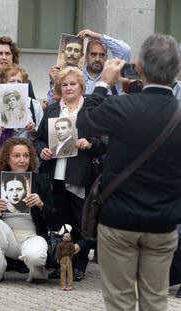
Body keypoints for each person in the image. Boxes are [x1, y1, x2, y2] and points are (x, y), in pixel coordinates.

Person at [76, 33, 181, 311]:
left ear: (140, 68)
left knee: (120, 301)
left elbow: (85, 120)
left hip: (119, 220)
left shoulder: (122, 106)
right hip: (163, 222)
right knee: (155, 300)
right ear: (176, 71)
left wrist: (103, 84)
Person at [34, 66, 104, 281]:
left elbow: (104, 141)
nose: (68, 88)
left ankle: (79, 264)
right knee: (62, 221)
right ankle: (63, 263)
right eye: (64, 84)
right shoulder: (53, 110)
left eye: (73, 84)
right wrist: (41, 149)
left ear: (81, 86)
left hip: (80, 173)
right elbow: (38, 138)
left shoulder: (90, 109)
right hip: (55, 173)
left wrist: (89, 142)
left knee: (80, 219)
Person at [0, 137, 51, 284]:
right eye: (16, 156)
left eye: (26, 155)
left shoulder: (41, 180)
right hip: (7, 238)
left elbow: (56, 219)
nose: (22, 160)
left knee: (35, 256)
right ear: (7, 159)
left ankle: (37, 272)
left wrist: (42, 205)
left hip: (32, 236)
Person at [47, 29, 131, 103]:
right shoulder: (74, 78)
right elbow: (52, 104)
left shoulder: (114, 77)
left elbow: (125, 51)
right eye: (93, 54)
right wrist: (54, 83)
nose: (97, 59)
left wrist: (98, 37)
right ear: (86, 56)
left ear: (106, 57)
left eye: (101, 55)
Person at [0, 64, 43, 168]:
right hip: (2, 161)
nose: (15, 84)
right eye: (12, 81)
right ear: (3, 84)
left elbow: (43, 136)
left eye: (19, 82)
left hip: (27, 162)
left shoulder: (35, 106)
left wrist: (34, 130)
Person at [0, 36, 36, 101]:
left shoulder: (25, 82)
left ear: (13, 57)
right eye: (0, 54)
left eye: (7, 54)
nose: (4, 57)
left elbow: (31, 107)